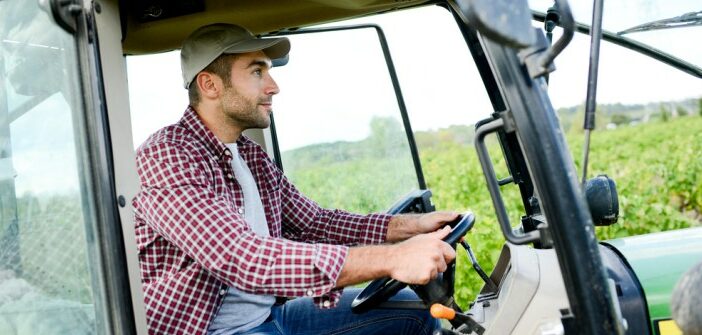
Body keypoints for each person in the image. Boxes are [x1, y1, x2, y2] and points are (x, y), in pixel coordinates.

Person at [133, 23, 458, 335]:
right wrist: (393, 258)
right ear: (210, 85)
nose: (273, 86)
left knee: (417, 316)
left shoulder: (249, 154)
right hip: (214, 330)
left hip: (270, 315)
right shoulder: (168, 156)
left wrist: (410, 226)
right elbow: (243, 257)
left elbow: (316, 223)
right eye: (257, 71)